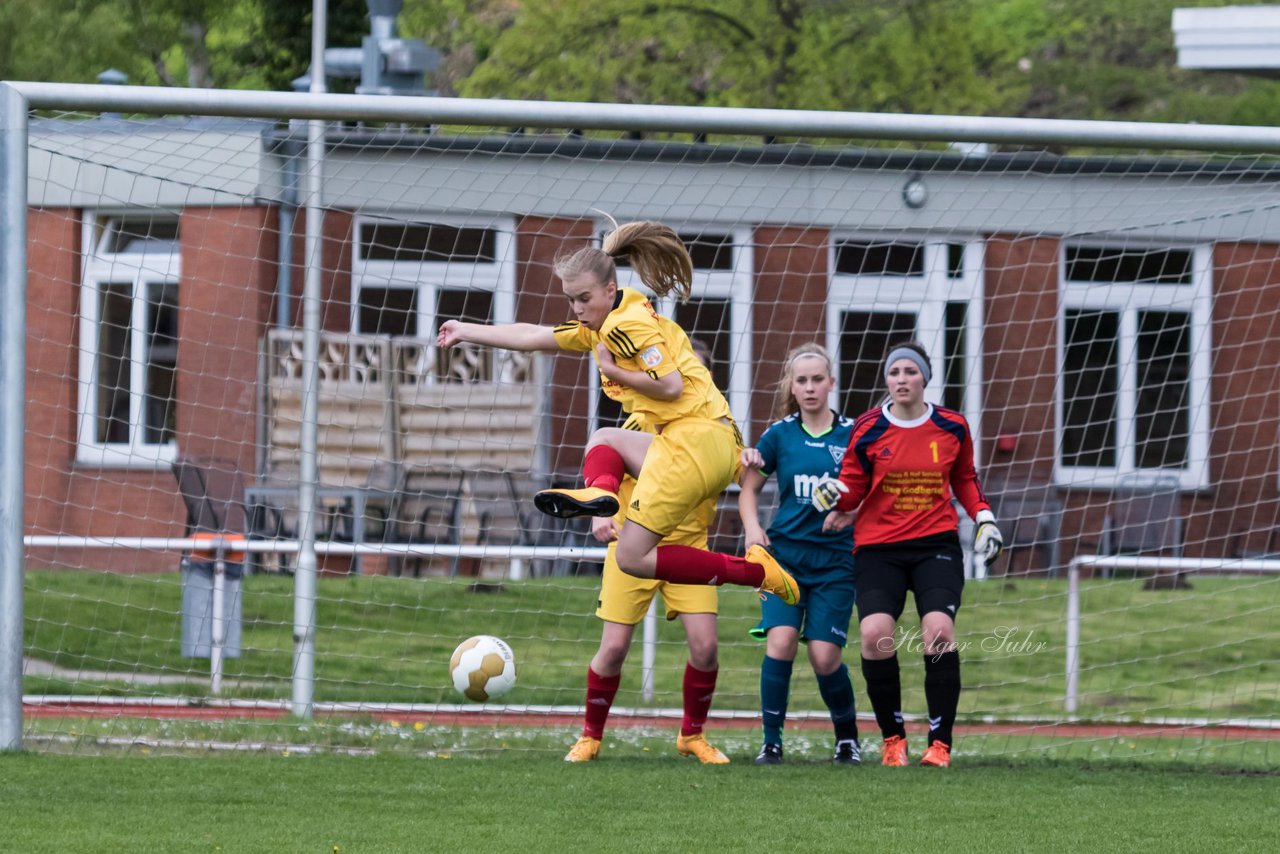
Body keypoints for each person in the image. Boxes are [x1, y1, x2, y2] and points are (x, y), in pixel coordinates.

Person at [437, 218, 798, 606]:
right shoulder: (608, 318)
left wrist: (612, 371)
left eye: (584, 299)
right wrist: (466, 330)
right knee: (605, 439)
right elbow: (532, 336)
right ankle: (601, 496)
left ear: (609, 289)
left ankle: (758, 573)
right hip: (707, 441)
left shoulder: (625, 326)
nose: (576, 308)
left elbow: (671, 385)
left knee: (630, 556)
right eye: (571, 299)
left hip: (697, 439)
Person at [810, 342, 1003, 768]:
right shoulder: (868, 428)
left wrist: (985, 518)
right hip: (879, 547)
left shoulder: (952, 427)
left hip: (936, 544)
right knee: (875, 634)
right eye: (894, 372)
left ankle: (940, 743)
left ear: (924, 379)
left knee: (938, 632)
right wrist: (836, 493)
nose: (901, 379)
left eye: (909, 372)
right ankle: (893, 739)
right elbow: (854, 484)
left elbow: (966, 480)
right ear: (887, 380)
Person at [563, 339, 730, 764]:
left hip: (688, 546)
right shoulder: (636, 424)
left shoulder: (720, 430)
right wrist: (601, 511)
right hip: (632, 545)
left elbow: (746, 470)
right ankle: (590, 737)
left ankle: (692, 735)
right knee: (614, 648)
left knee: (706, 647)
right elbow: (604, 459)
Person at [738, 343, 862, 766]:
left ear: (831, 383)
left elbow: (872, 491)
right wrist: (754, 530)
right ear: (792, 385)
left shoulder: (852, 434)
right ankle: (771, 742)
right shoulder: (779, 434)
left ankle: (848, 739)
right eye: (802, 380)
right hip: (784, 557)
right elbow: (748, 487)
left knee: (825, 655)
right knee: (782, 641)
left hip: (835, 562)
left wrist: (851, 509)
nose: (810, 388)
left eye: (817, 380)